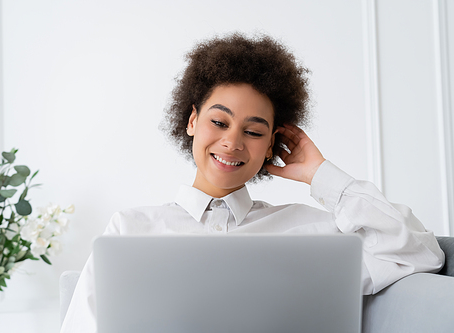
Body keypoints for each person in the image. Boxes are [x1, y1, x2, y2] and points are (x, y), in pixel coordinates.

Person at [60, 33, 444, 332]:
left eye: (254, 131)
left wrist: (320, 175)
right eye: (219, 121)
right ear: (192, 121)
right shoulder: (130, 230)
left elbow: (416, 253)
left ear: (272, 144)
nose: (232, 141)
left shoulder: (315, 232)